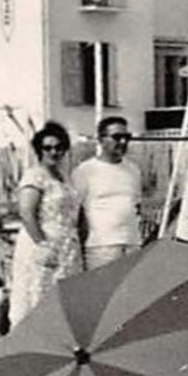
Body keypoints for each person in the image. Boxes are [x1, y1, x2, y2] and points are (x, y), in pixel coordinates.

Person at [10, 121, 83, 327]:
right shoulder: (34, 176)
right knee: (38, 294)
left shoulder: (65, 178)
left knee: (63, 300)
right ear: (39, 150)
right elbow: (26, 212)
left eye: (59, 147)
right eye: (48, 148)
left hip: (67, 245)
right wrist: (42, 245)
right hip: (42, 241)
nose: (54, 152)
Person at [72, 116, 143, 270]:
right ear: (101, 139)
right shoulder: (85, 171)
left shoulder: (133, 170)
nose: (123, 142)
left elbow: (136, 206)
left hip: (132, 242)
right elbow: (76, 213)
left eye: (126, 137)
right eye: (117, 137)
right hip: (101, 246)